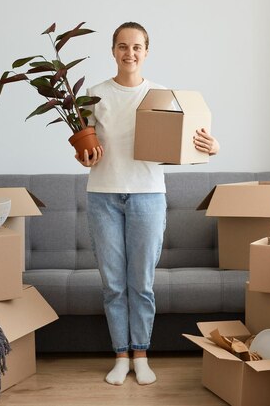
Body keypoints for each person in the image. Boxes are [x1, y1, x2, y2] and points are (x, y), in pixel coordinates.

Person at [75, 22, 220, 386]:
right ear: (113, 51)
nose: (130, 53)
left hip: (149, 196)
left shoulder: (163, 95)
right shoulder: (93, 95)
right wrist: (85, 158)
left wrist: (212, 147)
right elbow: (84, 148)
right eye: (122, 46)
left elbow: (190, 138)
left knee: (141, 283)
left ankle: (141, 354)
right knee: (113, 284)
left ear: (146, 51)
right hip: (103, 196)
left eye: (137, 47)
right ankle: (120, 356)